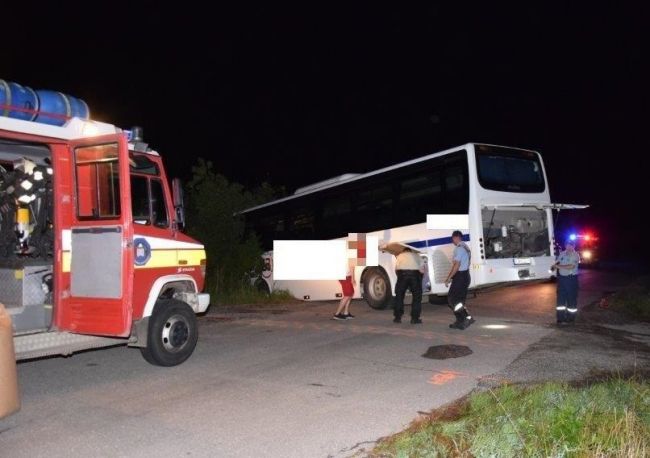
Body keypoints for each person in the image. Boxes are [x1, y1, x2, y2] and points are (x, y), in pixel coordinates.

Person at [444, 230, 475, 330]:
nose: (452, 240)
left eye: (453, 238)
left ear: (456, 237)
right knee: (459, 300)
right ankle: (463, 320)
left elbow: (456, 265)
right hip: (465, 275)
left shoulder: (459, 249)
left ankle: (463, 319)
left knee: (452, 299)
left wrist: (449, 278)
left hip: (460, 276)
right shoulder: (466, 247)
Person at [393, 247, 425, 324]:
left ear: (404, 251)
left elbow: (396, 269)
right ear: (410, 251)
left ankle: (398, 318)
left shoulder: (400, 256)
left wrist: (400, 277)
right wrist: (420, 279)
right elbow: (422, 270)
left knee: (399, 297)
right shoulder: (417, 255)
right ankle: (415, 319)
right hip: (414, 275)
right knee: (417, 297)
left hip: (402, 275)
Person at [553, 240, 580, 324]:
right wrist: (553, 266)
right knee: (560, 299)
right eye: (567, 245)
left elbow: (571, 266)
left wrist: (557, 266)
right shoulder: (562, 253)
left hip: (571, 279)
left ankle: (571, 318)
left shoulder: (575, 255)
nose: (568, 247)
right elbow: (557, 261)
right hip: (562, 279)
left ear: (573, 246)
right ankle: (560, 318)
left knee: (571, 299)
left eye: (570, 246)